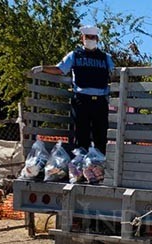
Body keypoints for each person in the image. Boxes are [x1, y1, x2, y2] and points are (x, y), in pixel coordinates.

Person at [32, 25, 114, 154]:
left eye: (93, 37)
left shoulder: (105, 57)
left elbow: (114, 74)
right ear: (82, 38)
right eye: (88, 37)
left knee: (101, 133)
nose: (90, 40)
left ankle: (99, 164)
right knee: (82, 133)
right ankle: (80, 164)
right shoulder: (75, 55)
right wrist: (43, 68)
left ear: (97, 39)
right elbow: (60, 69)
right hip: (82, 100)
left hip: (100, 101)